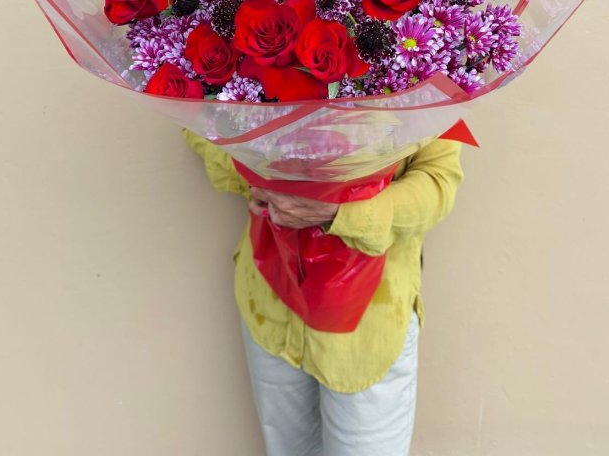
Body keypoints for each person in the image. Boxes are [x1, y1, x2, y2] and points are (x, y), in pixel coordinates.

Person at [184, 130, 464, 456]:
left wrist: (341, 212)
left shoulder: (427, 85)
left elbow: (437, 180)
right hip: (269, 302)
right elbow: (199, 126)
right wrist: (264, 176)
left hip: (369, 323)